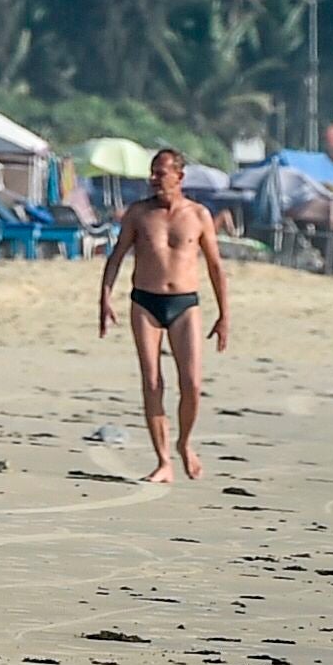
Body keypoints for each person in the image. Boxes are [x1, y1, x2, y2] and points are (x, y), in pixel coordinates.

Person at [98, 147, 232, 484]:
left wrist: (224, 315)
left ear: (179, 176)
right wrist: (105, 299)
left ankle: (184, 443)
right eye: (152, 173)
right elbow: (115, 257)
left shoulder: (199, 215)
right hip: (145, 302)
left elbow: (215, 267)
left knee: (192, 383)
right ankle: (163, 461)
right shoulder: (138, 214)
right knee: (152, 380)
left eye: (161, 173)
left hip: (186, 303)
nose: (154, 179)